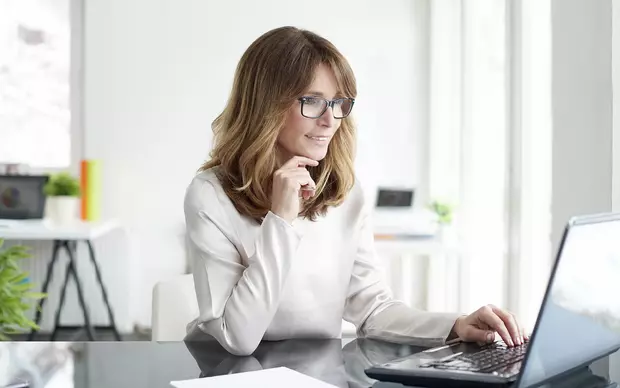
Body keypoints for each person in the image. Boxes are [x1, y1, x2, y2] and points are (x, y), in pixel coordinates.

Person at [184, 26, 527, 356]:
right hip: (224, 371)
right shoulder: (210, 194)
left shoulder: (344, 191)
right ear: (266, 105)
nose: (330, 119)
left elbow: (374, 308)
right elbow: (238, 337)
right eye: (312, 101)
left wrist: (455, 325)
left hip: (313, 372)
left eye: (338, 103)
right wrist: (281, 220)